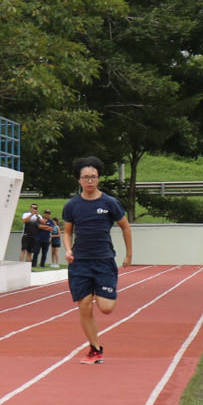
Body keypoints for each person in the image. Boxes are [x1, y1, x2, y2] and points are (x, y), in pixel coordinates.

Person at [62, 156, 132, 364]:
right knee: (84, 305)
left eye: (93, 177)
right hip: (80, 262)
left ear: (99, 178)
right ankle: (95, 349)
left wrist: (129, 254)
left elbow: (125, 227)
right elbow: (67, 232)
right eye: (86, 177)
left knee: (106, 308)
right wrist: (68, 250)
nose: (90, 181)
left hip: (103, 261)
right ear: (79, 180)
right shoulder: (72, 205)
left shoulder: (109, 203)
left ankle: (97, 290)